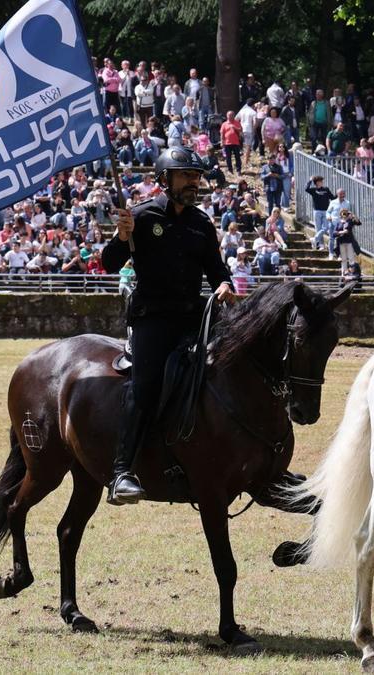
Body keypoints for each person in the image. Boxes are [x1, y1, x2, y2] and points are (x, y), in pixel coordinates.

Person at [101, 147, 236, 506]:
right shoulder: (141, 217)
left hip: (194, 318)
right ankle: (121, 473)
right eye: (186, 176)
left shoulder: (201, 223)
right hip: (153, 320)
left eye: (196, 176)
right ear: (165, 180)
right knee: (145, 386)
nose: (194, 182)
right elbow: (110, 263)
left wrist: (224, 284)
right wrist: (120, 236)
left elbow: (217, 270)